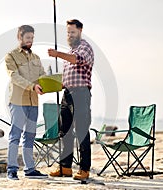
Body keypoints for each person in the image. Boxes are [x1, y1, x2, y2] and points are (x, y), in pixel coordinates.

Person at [48, 19, 94, 180]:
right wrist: (54, 84)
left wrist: (57, 54)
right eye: (68, 32)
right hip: (67, 94)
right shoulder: (70, 50)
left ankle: (84, 169)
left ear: (80, 31)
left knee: (81, 131)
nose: (70, 35)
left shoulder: (85, 47)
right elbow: (68, 78)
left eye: (72, 32)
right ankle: (65, 167)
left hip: (81, 94)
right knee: (64, 131)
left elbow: (77, 60)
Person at [5, 25, 48, 180]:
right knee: (15, 135)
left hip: (33, 103)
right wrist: (32, 86)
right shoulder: (11, 56)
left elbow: (42, 76)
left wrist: (52, 83)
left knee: (30, 135)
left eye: (32, 38)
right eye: (27, 38)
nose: (30, 41)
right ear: (20, 38)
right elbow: (14, 76)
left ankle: (30, 169)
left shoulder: (36, 58)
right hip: (17, 101)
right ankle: (12, 169)